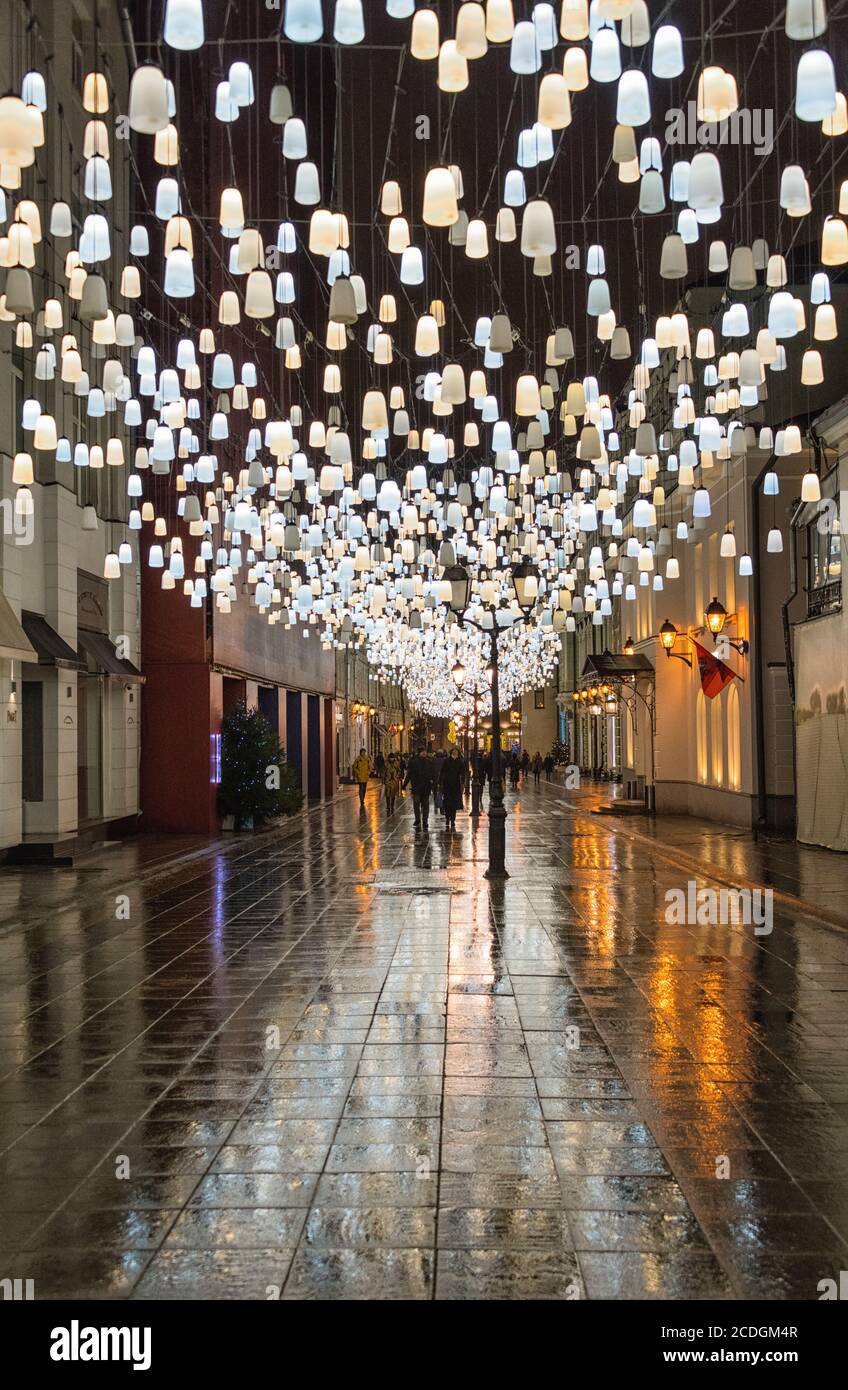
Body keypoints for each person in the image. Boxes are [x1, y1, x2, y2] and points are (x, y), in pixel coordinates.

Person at [403, 746, 434, 832]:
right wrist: (404, 784)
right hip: (416, 786)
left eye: (425, 751)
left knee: (426, 805)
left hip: (426, 787)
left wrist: (434, 784)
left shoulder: (429, 762)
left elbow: (432, 774)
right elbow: (409, 774)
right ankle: (417, 819)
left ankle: (425, 820)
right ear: (419, 753)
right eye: (422, 751)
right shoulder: (413, 762)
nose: (424, 753)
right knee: (416, 804)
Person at [440, 746, 467, 833]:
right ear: (451, 752)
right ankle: (447, 818)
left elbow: (463, 773)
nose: (455, 753)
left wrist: (463, 783)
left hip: (456, 785)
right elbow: (442, 772)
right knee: (447, 803)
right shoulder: (446, 761)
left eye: (456, 752)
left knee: (454, 804)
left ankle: (453, 820)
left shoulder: (460, 762)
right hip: (447, 784)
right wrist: (440, 783)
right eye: (454, 751)